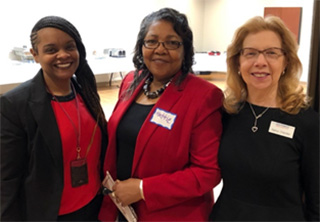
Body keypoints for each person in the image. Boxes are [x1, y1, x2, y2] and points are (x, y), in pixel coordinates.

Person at [98, 7, 223, 221]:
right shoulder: (131, 81)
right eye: (152, 41)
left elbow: (207, 172)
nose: (160, 49)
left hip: (171, 214)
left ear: (185, 50)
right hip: (121, 208)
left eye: (172, 42)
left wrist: (143, 189)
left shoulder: (204, 96)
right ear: (141, 46)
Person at [209, 16, 319, 221]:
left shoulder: (307, 123)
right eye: (250, 53)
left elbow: (317, 200)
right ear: (238, 62)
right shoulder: (226, 113)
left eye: (271, 53)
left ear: (286, 61)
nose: (260, 62)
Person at [0, 16, 108, 221]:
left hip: (93, 207)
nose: (63, 55)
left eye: (70, 47)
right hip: (51, 215)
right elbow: (7, 179)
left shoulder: (85, 91)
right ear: (35, 55)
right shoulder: (14, 105)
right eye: (51, 50)